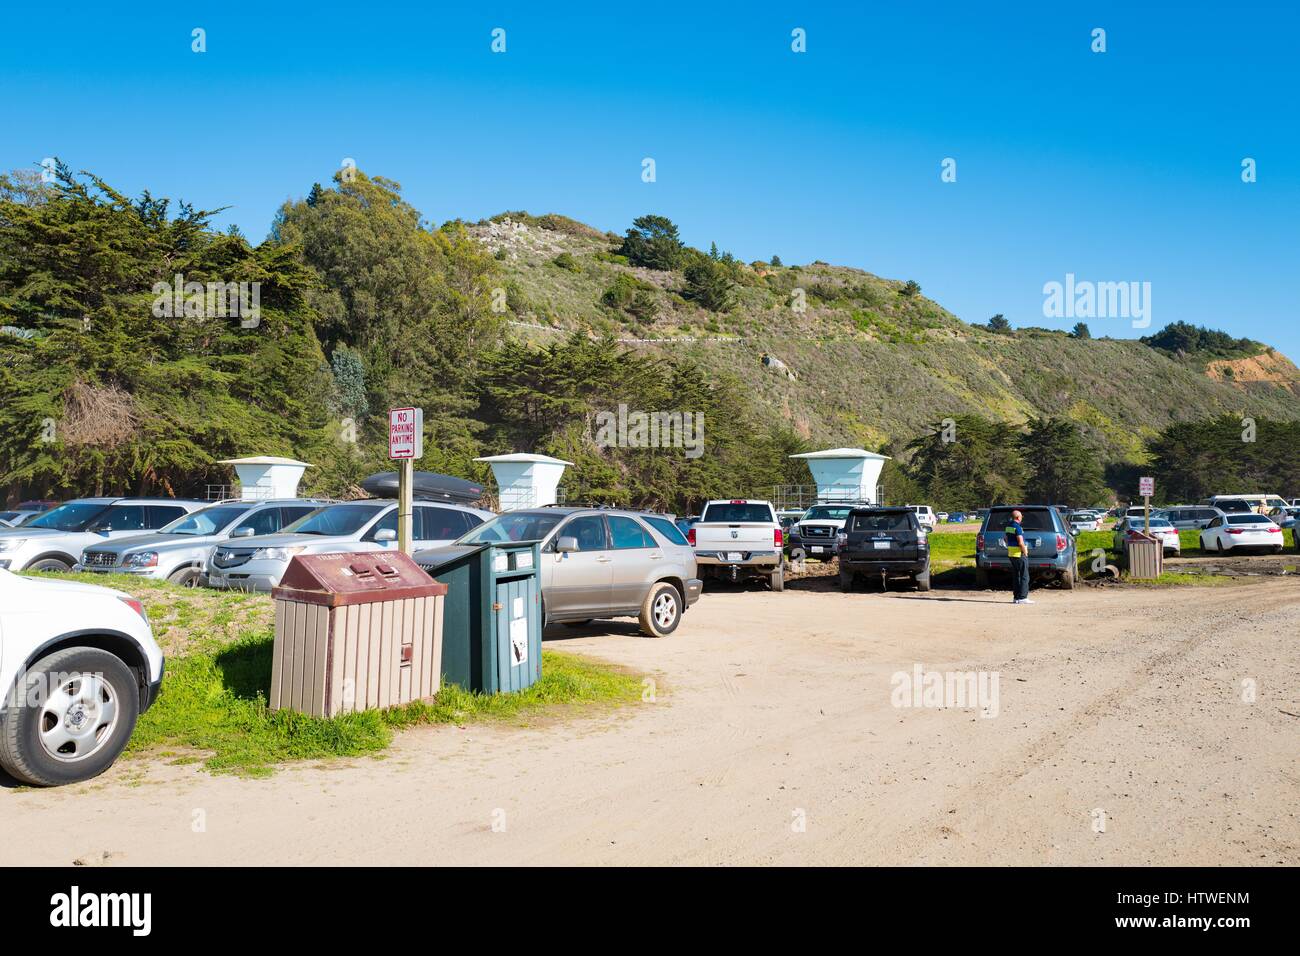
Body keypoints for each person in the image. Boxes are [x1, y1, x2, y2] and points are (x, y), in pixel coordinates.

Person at [1005, 509, 1032, 604]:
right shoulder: (1018, 527)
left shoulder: (1008, 527)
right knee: (1025, 576)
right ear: (1018, 517)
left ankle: (1016, 597)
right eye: (1021, 516)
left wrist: (1010, 546)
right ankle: (1023, 597)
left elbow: (1005, 539)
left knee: (1016, 576)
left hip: (1011, 554)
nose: (1022, 518)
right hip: (1019, 554)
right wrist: (1025, 552)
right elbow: (1020, 542)